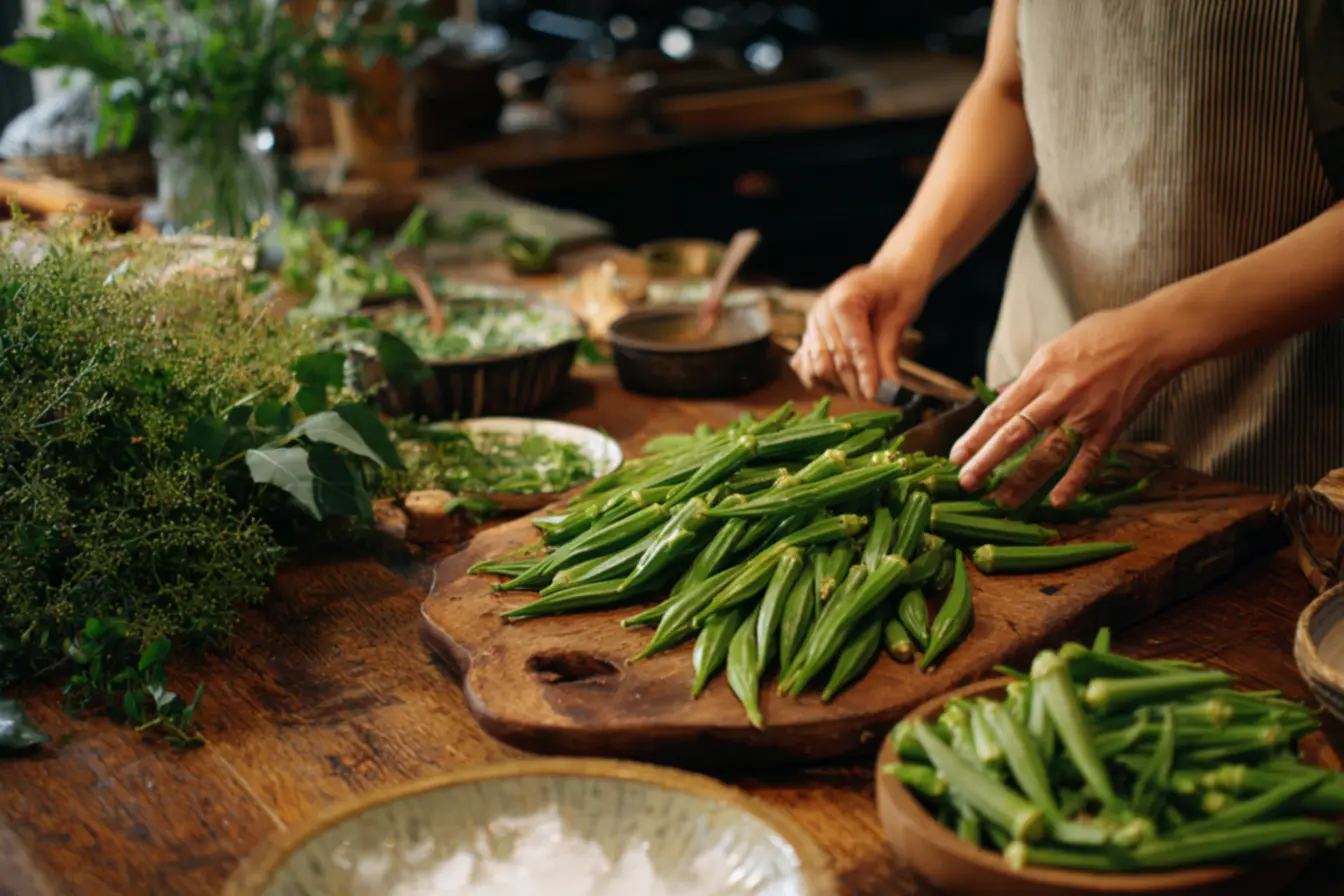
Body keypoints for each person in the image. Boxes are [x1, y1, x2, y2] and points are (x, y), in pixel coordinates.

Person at [792, 0, 1344, 508]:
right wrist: (901, 263)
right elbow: (1009, 87)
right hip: (1030, 395)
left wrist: (1153, 339)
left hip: (1273, 422)